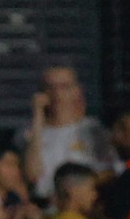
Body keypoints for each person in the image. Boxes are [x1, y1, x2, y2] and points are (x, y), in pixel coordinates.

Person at [22, 66, 116, 201]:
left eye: (64, 87)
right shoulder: (30, 133)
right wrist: (37, 117)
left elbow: (107, 172)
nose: (56, 93)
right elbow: (32, 176)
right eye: (50, 87)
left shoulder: (93, 130)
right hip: (45, 204)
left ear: (77, 90)